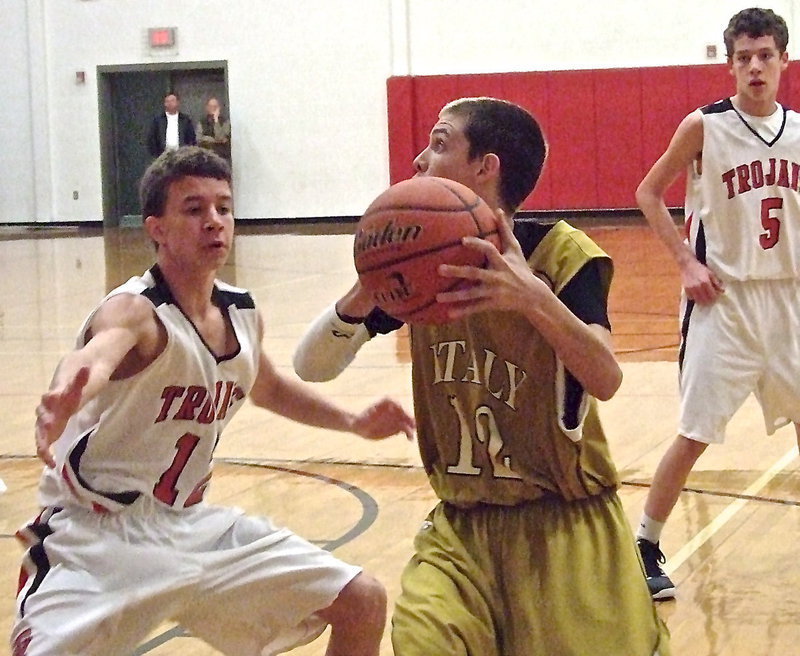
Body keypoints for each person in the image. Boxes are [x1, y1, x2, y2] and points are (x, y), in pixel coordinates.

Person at [294, 97, 670, 655]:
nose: (420, 159)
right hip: (461, 528)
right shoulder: (423, 261)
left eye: (440, 143)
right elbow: (311, 366)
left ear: (485, 167)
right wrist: (366, 289)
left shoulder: (561, 255)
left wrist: (533, 300)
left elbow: (606, 376)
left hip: (564, 528)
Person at [10, 146, 415, 656]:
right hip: (96, 537)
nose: (214, 222)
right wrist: (68, 391)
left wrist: (353, 421)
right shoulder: (137, 311)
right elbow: (100, 353)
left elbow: (265, 386)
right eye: (194, 208)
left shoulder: (242, 313)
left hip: (190, 526)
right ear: (156, 228)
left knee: (362, 599)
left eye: (223, 207)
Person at [634, 6, 800, 601]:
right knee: (695, 430)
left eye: (765, 56)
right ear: (730, 64)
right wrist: (685, 262)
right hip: (724, 304)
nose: (755, 67)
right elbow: (649, 193)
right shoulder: (704, 126)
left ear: (784, 60)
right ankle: (646, 545)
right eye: (744, 57)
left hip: (788, 302)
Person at [147, 92, 196, 158]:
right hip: (163, 157)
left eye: (172, 101)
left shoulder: (185, 120)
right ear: (164, 104)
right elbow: (152, 140)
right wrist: (157, 155)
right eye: (167, 101)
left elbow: (191, 139)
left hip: (182, 157)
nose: (170, 103)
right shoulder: (158, 121)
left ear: (178, 102)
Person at [197, 96, 232, 163]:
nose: (212, 108)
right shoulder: (202, 122)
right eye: (210, 106)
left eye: (215, 106)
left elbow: (220, 137)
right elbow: (199, 139)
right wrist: (214, 140)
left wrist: (216, 120)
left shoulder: (225, 122)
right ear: (207, 108)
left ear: (219, 108)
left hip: (222, 157)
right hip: (206, 157)